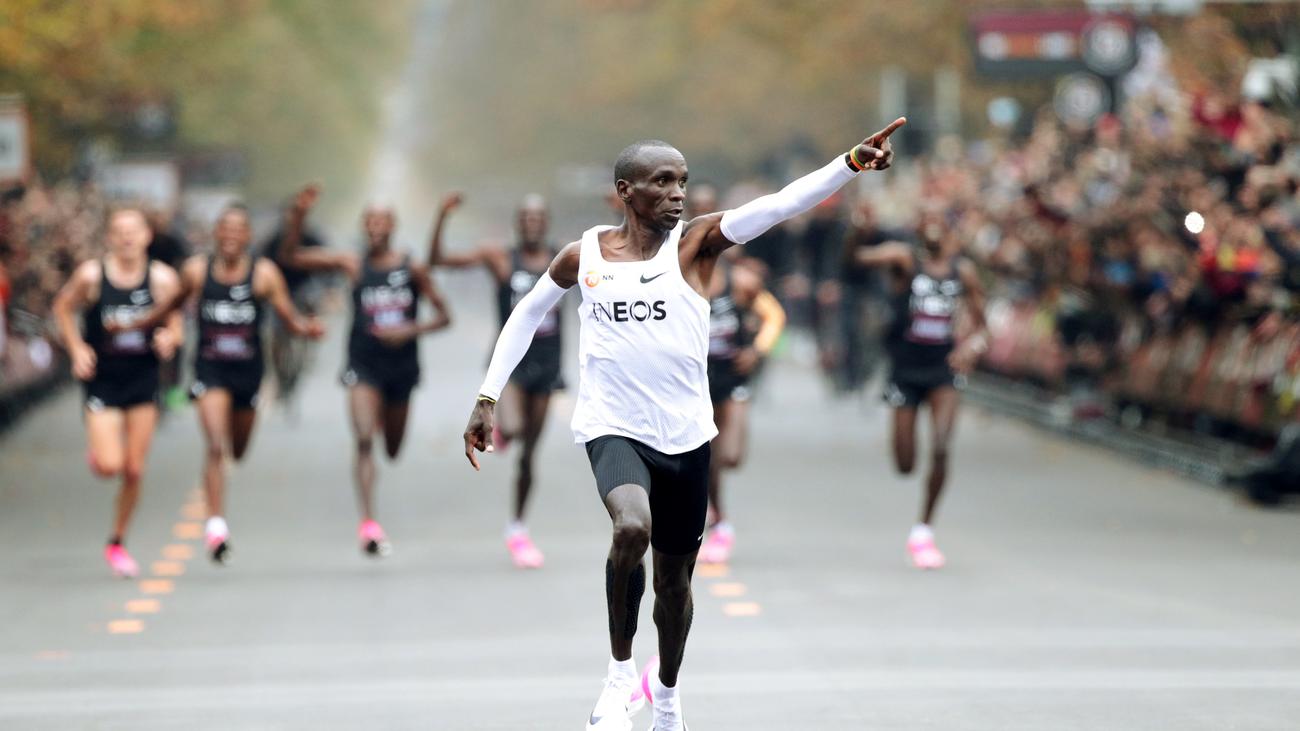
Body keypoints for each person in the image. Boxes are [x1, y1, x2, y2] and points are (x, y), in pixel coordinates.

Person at [462, 118, 904, 731]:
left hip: (687, 436)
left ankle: (666, 694)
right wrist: (488, 395)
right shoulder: (583, 254)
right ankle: (619, 679)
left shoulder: (697, 244)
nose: (676, 192)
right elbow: (528, 311)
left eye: (683, 181)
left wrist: (849, 164)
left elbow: (779, 206)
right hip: (613, 426)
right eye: (662, 181)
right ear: (625, 191)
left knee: (674, 587)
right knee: (630, 529)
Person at [140, 204, 325, 564]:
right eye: (223, 229)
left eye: (237, 230)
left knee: (237, 450)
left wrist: (307, 328)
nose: (229, 236)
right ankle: (216, 526)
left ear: (247, 236)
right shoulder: (196, 271)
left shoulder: (263, 274)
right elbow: (170, 306)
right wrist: (142, 326)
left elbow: (288, 316)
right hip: (210, 368)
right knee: (214, 445)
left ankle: (220, 503)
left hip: (248, 371)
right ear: (215, 234)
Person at [278, 185, 451, 557]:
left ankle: (373, 502)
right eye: (369, 221)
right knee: (363, 439)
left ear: (393, 226)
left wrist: (408, 330)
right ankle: (369, 523)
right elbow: (290, 256)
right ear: (363, 226)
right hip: (363, 364)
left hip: (402, 368)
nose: (374, 228)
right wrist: (298, 216)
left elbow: (444, 316)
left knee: (390, 448)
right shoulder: (352, 264)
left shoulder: (412, 267)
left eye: (381, 222)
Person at [428, 192, 563, 568]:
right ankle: (502, 427)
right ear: (517, 223)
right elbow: (439, 260)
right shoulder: (501, 258)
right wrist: (441, 217)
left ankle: (517, 527)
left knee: (529, 455)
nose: (532, 222)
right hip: (512, 365)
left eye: (538, 216)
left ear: (547, 221)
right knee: (516, 429)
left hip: (549, 366)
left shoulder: (563, 258)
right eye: (525, 217)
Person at [51, 207, 184, 578]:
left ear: (146, 236)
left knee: (134, 470)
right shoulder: (93, 276)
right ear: (109, 237)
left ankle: (117, 541)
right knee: (111, 466)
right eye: (119, 231)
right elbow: (62, 307)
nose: (126, 237)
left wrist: (167, 337)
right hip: (103, 380)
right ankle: (100, 453)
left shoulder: (161, 279)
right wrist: (77, 348)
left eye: (133, 231)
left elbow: (177, 324)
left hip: (142, 379)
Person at [854, 211, 988, 570]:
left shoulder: (964, 272)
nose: (933, 233)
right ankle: (919, 517)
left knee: (942, 446)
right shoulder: (904, 261)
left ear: (950, 236)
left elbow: (982, 325)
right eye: (926, 228)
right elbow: (857, 258)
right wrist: (858, 231)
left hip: (943, 370)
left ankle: (923, 530)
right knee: (905, 463)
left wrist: (970, 347)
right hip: (904, 371)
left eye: (939, 228)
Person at [698, 256, 785, 564]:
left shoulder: (740, 282)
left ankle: (713, 510)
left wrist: (758, 350)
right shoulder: (682, 278)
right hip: (696, 383)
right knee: (707, 459)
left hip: (732, 377)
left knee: (729, 457)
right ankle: (720, 521)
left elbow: (774, 316)